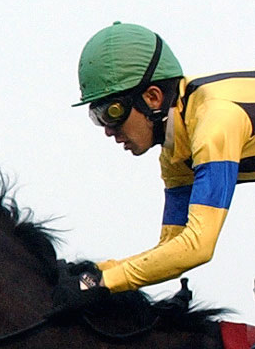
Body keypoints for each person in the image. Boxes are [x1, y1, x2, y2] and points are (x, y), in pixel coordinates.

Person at [67, 23, 255, 300]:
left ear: (152, 97)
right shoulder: (175, 151)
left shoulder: (213, 124)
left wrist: (101, 284)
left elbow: (199, 246)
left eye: (112, 112)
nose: (108, 130)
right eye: (97, 117)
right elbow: (173, 244)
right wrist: (99, 271)